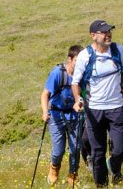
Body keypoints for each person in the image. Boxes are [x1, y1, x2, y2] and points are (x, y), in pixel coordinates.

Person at [71, 19, 123, 187]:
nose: (108, 34)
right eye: (104, 32)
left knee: (119, 148)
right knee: (98, 153)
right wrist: (78, 99)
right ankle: (101, 184)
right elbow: (75, 83)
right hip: (94, 110)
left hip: (116, 107)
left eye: (109, 31)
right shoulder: (85, 56)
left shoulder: (118, 50)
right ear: (93, 35)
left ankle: (114, 168)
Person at [41, 45, 82, 186]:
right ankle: (54, 169)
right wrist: (45, 112)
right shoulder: (58, 73)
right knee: (58, 150)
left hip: (74, 116)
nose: (80, 63)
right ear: (70, 59)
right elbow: (45, 94)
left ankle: (73, 175)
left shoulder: (81, 74)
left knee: (76, 148)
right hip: (56, 116)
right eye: (77, 60)